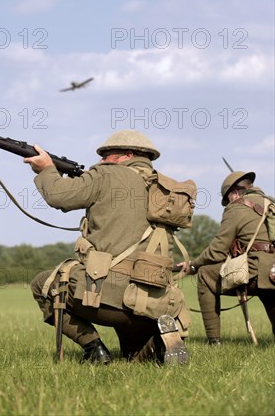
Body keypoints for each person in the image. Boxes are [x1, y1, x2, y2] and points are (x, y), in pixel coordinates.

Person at [24, 130, 191, 364]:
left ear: (126, 155)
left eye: (106, 155)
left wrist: (47, 170)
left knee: (43, 284)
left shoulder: (106, 175)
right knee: (135, 358)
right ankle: (156, 340)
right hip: (155, 301)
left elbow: (60, 197)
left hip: (110, 299)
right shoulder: (164, 188)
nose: (100, 160)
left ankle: (94, 349)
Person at [179, 171, 275, 344]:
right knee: (269, 293)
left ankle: (214, 341)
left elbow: (217, 250)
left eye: (228, 199)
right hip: (272, 272)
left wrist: (193, 265)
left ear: (235, 193)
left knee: (205, 274)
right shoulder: (272, 203)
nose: (228, 204)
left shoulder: (237, 206)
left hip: (258, 271)